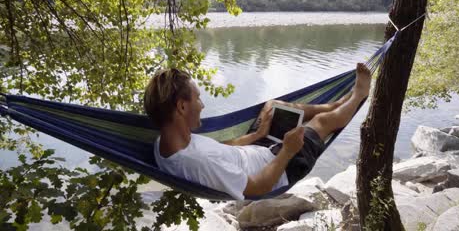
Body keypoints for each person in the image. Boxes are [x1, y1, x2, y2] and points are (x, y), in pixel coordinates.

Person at [144, 63, 371, 200]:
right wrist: (288, 151)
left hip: (259, 148)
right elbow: (258, 188)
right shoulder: (198, 164)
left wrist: (256, 135)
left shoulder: (167, 140)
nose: (202, 106)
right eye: (198, 99)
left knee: (272, 106)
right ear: (182, 107)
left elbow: (221, 149)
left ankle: (333, 104)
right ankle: (359, 95)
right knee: (321, 122)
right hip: (279, 168)